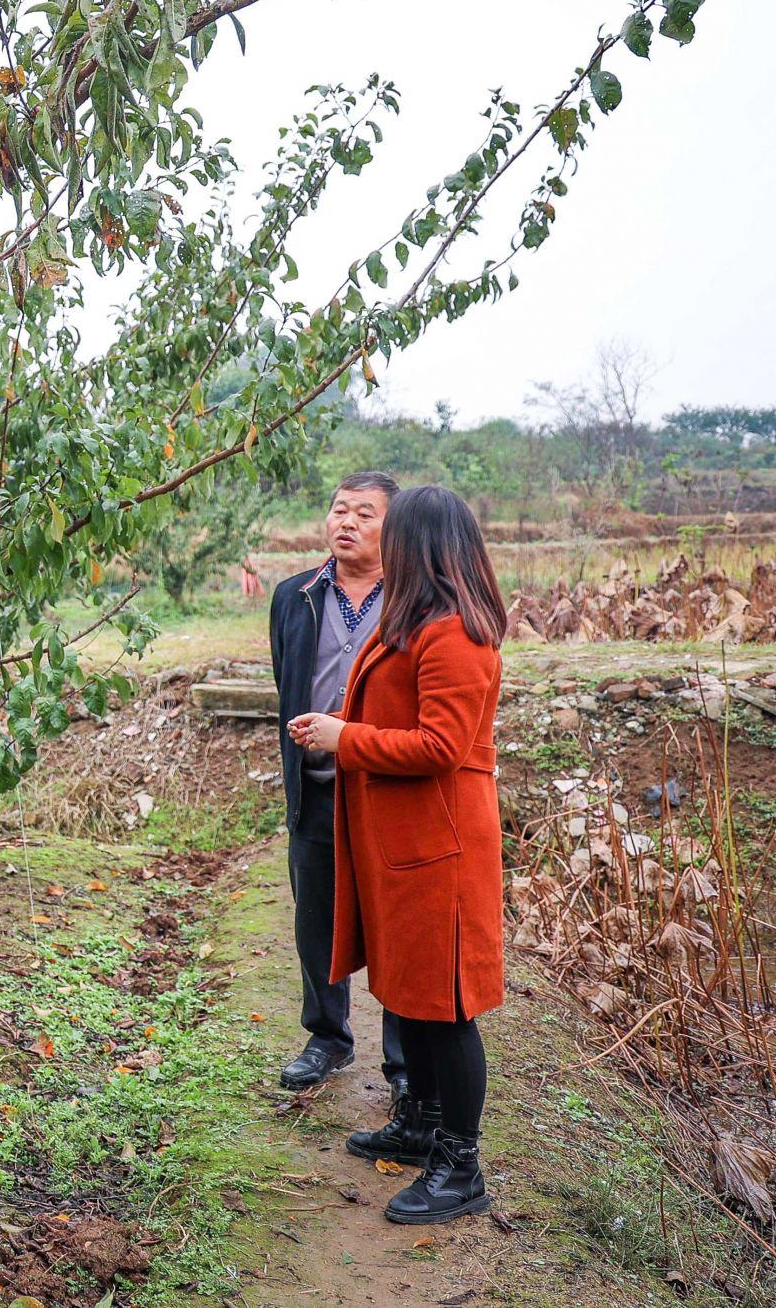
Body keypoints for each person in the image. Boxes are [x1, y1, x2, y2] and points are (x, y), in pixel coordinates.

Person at [289, 484, 507, 1224]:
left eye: (395, 532)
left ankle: (461, 1164)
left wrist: (343, 738)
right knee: (409, 992)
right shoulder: (416, 619)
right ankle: (419, 1120)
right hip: (404, 844)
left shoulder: (456, 633)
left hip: (440, 848)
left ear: (422, 546)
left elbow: (443, 746)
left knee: (446, 1009)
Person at [267, 472, 407, 1100]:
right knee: (315, 918)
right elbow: (287, 682)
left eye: (365, 514)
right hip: (316, 786)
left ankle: (405, 1063)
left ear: (394, 529)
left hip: (387, 789)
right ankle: (327, 1036)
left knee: (394, 927)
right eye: (339, 510)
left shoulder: (414, 600)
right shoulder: (293, 597)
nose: (346, 522)